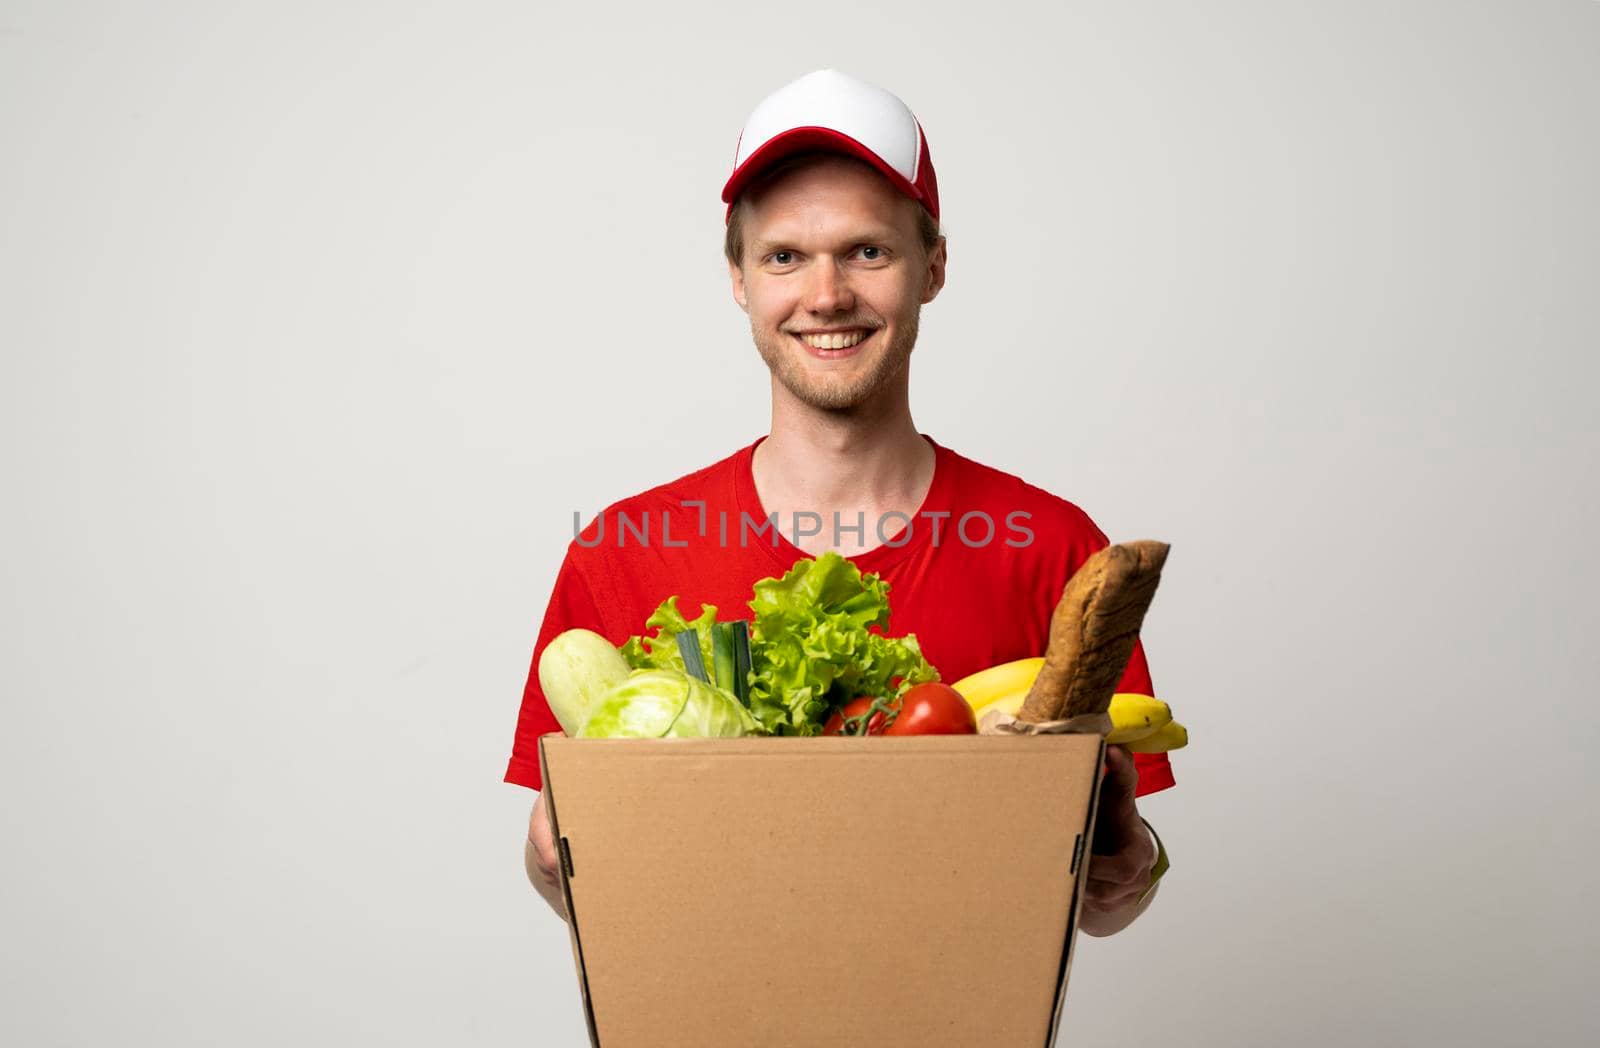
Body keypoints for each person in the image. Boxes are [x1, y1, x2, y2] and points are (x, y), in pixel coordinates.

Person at [507, 69, 1173, 935]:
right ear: (739, 279)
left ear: (932, 267)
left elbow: (1115, 894)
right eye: (784, 255)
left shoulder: (1052, 547)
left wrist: (1132, 867)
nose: (826, 296)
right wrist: (550, 855)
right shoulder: (624, 549)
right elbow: (560, 866)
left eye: (867, 251)